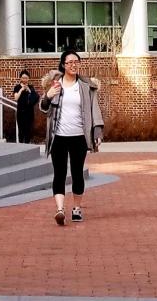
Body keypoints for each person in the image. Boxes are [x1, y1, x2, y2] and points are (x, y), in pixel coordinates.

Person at [40, 50, 104, 226]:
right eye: (69, 62)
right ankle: (60, 210)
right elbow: (44, 108)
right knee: (59, 174)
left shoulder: (86, 86)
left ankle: (76, 208)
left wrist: (97, 132)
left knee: (77, 174)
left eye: (76, 61)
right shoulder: (55, 85)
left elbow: (94, 110)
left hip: (79, 137)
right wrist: (48, 95)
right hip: (58, 137)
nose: (73, 65)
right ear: (63, 65)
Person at [12, 70, 39, 144]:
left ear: (28, 79)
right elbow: (16, 98)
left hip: (29, 112)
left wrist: (29, 90)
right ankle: (21, 146)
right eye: (23, 78)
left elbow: (35, 98)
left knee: (28, 131)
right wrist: (21, 90)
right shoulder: (17, 87)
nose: (24, 79)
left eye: (26, 78)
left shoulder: (31, 87)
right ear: (20, 78)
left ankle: (27, 146)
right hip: (21, 112)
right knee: (21, 130)